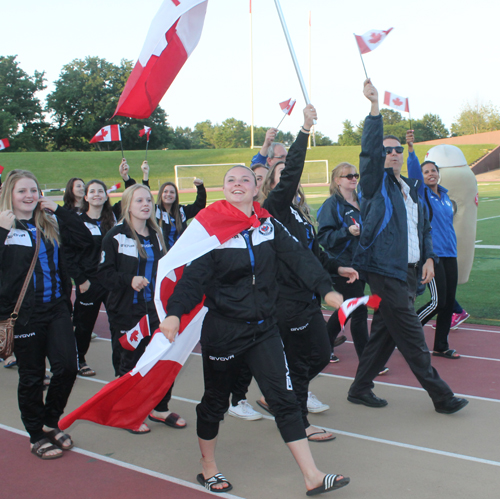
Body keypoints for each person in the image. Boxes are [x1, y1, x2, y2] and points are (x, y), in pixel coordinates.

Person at [159, 165, 349, 495]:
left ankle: (312, 476)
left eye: (244, 179)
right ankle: (208, 467)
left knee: (286, 400)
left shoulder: (266, 224)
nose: (238, 184)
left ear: (254, 188)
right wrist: (174, 313)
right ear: (224, 188)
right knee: (216, 402)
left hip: (264, 329)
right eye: (231, 180)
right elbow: (192, 279)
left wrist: (325, 289)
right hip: (224, 332)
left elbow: (300, 258)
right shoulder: (210, 228)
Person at [347, 79, 468, 415]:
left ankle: (359, 388)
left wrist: (429, 256)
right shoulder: (373, 185)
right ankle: (441, 396)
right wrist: (374, 110)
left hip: (411, 270)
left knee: (385, 333)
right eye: (388, 149)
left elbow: (423, 226)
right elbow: (369, 154)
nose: (394, 154)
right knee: (413, 335)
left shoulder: (412, 187)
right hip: (385, 270)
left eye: (398, 149)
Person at [254, 105, 358, 441]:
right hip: (287, 299)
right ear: (274, 183)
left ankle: (280, 396)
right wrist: (304, 130)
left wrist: (335, 266)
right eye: (282, 174)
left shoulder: (299, 214)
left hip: (306, 297)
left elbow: (311, 252)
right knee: (306, 359)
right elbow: (291, 171)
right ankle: (297, 417)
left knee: (311, 357)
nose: (289, 178)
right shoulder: (275, 208)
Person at [0, 170, 79, 459]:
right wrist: (2, 231)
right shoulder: (4, 225)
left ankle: (49, 420)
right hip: (24, 314)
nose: (29, 196)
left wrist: (59, 210)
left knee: (67, 368)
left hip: (56, 308)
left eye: (33, 190)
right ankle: (35, 434)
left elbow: (83, 239)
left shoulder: (49, 222)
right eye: (22, 191)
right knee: (32, 377)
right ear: (10, 193)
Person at [98, 184, 185, 432]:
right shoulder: (115, 236)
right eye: (139, 201)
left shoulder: (157, 235)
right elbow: (104, 274)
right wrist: (129, 280)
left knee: (161, 359)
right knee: (130, 363)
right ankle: (127, 412)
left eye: (148, 200)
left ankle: (159, 408)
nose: (146, 204)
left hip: (155, 311)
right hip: (126, 312)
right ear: (128, 205)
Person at [407, 134, 460, 359]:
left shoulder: (446, 196)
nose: (431, 174)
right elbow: (414, 174)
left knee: (448, 303)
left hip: (450, 254)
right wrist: (411, 151)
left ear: (439, 174)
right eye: (427, 171)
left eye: (434, 171)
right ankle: (406, 334)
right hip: (433, 255)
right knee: (438, 302)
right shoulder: (422, 193)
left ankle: (440, 346)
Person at [63, 180, 117, 376]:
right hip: (89, 283)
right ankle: (79, 359)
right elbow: (68, 254)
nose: (96, 194)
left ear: (105, 195)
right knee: (84, 326)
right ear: (85, 197)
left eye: (100, 191)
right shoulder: (77, 222)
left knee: (118, 324)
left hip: (111, 282)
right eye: (92, 191)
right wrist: (80, 280)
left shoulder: (112, 220)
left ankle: (122, 366)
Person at [317, 163, 369, 363]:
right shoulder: (332, 205)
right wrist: (347, 231)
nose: (354, 178)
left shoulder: (362, 201)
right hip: (341, 264)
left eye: (355, 175)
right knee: (359, 309)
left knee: (346, 308)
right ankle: (367, 358)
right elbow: (323, 238)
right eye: (348, 176)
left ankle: (325, 343)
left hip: (362, 263)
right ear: (337, 180)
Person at [156, 178, 206, 251]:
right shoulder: (155, 210)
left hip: (181, 254)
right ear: (161, 194)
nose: (168, 194)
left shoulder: (181, 211)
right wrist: (145, 176)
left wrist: (200, 188)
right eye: (165, 191)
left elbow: (199, 206)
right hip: (163, 255)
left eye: (172, 192)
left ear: (176, 196)